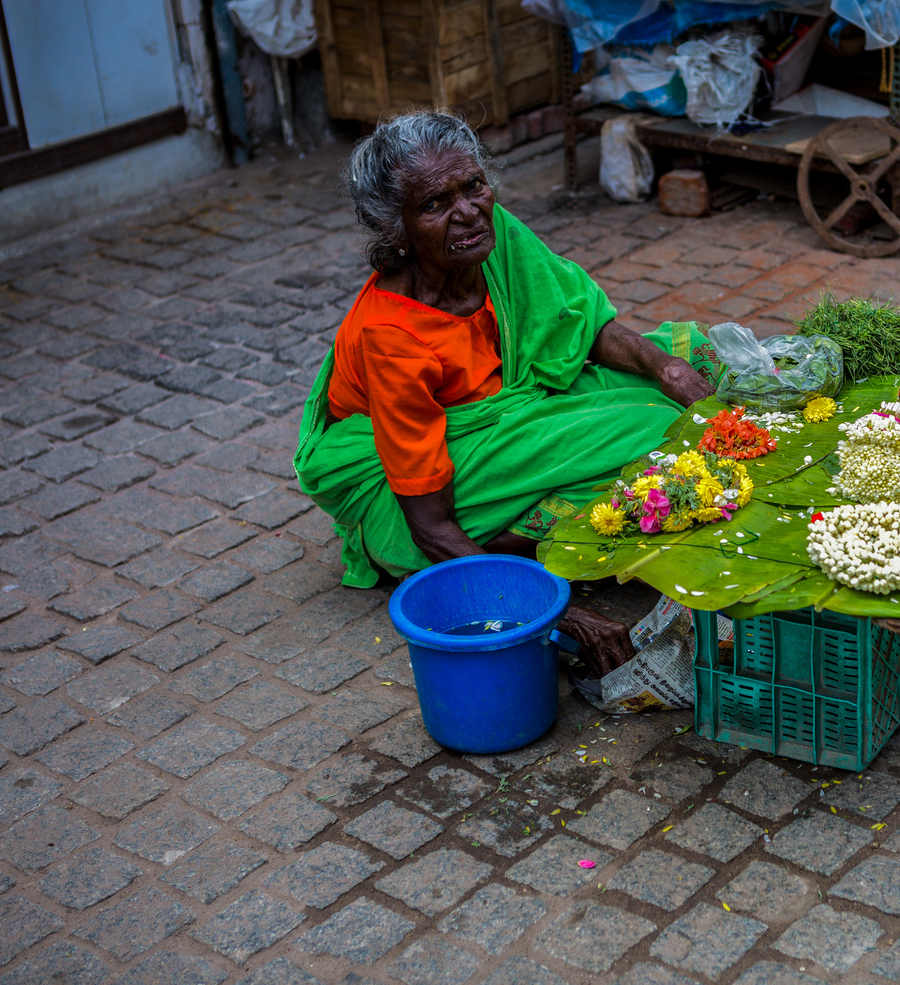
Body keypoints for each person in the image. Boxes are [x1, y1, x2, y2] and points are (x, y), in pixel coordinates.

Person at [295, 110, 718, 676]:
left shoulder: (487, 236)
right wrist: (553, 612)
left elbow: (576, 323)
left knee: (690, 359)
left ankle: (586, 490)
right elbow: (431, 525)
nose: (467, 211)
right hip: (415, 492)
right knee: (650, 435)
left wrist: (667, 368)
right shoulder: (391, 335)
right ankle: (522, 554)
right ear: (395, 230)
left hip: (513, 406)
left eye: (473, 186)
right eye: (434, 204)